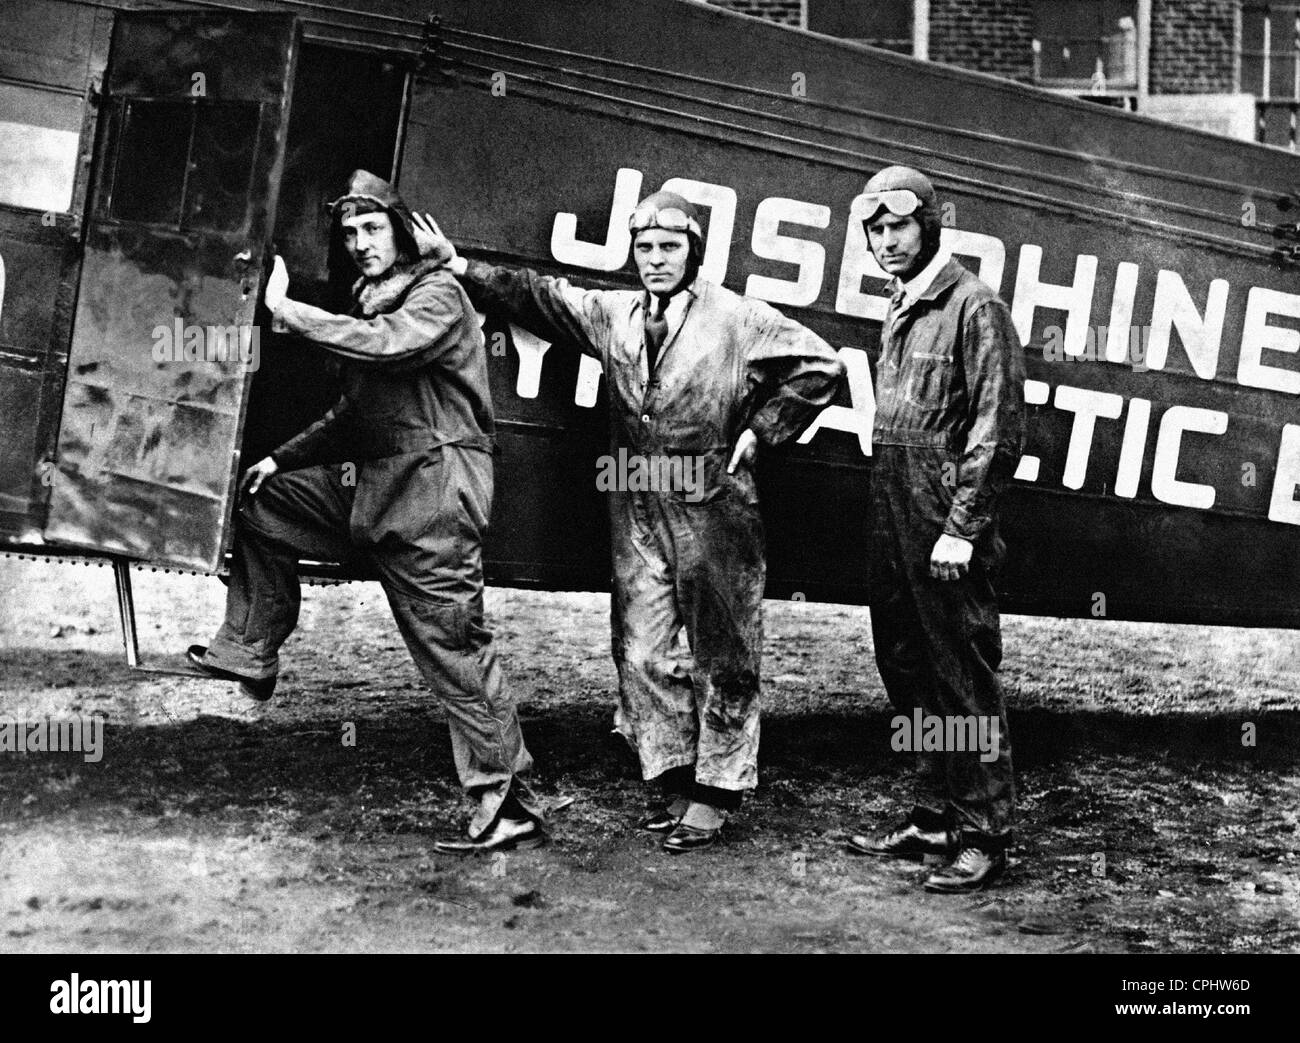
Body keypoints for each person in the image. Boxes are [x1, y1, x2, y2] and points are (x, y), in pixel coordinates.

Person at [416, 191, 845, 852]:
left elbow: (823, 365)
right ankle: (675, 776)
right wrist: (460, 265)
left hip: (712, 499)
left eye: (669, 247)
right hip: (637, 498)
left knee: (723, 649)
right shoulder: (615, 313)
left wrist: (764, 430)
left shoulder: (737, 317)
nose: (655, 259)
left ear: (693, 252)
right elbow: (540, 296)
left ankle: (717, 790)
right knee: (640, 648)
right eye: (644, 247)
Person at [186, 170, 545, 854]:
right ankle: (252, 647)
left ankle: (505, 805)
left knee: (454, 652)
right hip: (379, 485)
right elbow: (357, 412)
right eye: (348, 231)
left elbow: (387, 346)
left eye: (372, 228)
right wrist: (281, 459)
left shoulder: (439, 294)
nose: (358, 242)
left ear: (402, 231)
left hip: (434, 498)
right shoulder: (375, 297)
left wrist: (287, 312)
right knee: (264, 502)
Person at [845, 166, 1026, 893]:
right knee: (907, 666)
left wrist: (963, 526)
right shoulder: (901, 305)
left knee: (961, 674)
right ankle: (935, 813)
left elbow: (997, 425)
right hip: (893, 516)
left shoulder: (975, 306)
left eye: (900, 227)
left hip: (943, 523)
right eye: (877, 230)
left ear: (931, 225)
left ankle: (984, 832)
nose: (887, 242)